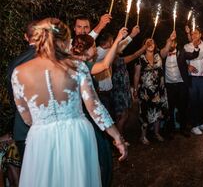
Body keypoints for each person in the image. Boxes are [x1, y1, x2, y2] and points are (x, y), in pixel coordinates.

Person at [11, 18, 127, 187]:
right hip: (76, 135)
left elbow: (26, 116)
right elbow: (94, 107)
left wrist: (43, 124)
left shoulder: (19, 72)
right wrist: (117, 137)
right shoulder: (77, 66)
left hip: (41, 138)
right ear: (65, 41)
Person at [71, 28, 128, 187]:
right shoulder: (80, 66)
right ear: (86, 49)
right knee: (102, 157)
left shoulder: (78, 63)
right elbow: (104, 65)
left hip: (86, 116)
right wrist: (117, 38)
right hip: (89, 117)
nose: (96, 49)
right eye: (93, 46)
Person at [6, 20, 38, 161]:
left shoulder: (15, 63)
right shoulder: (52, 59)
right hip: (47, 127)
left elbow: (13, 98)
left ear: (26, 37)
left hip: (22, 128)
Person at [160, 31, 200, 137]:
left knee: (183, 107)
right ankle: (171, 129)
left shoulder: (181, 52)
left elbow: (193, 55)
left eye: (173, 43)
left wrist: (196, 47)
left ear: (176, 44)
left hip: (181, 84)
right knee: (170, 108)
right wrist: (169, 40)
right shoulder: (163, 53)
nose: (171, 45)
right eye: (169, 42)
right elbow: (163, 53)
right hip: (169, 85)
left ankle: (183, 128)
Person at [112, 39, 152, 141]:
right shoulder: (116, 60)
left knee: (121, 116)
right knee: (123, 116)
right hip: (119, 92)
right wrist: (144, 47)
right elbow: (134, 55)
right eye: (118, 47)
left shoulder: (116, 58)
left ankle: (119, 138)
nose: (121, 48)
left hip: (122, 91)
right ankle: (119, 139)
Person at [133, 38, 168, 144]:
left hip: (159, 90)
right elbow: (137, 75)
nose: (150, 43)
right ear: (144, 45)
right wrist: (135, 89)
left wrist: (169, 40)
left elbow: (166, 49)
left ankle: (156, 133)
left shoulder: (159, 55)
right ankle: (143, 136)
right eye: (147, 42)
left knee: (158, 112)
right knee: (145, 113)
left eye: (152, 41)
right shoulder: (140, 58)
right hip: (146, 92)